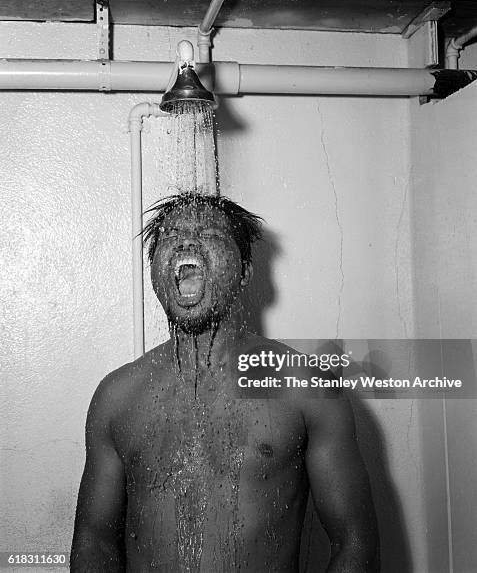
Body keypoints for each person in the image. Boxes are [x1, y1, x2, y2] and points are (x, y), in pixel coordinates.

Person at [71, 193, 379, 572]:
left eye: (210, 233)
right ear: (153, 271)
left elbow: (355, 544)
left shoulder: (304, 388)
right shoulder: (117, 398)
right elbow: (94, 544)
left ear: (245, 270)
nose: (187, 241)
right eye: (171, 235)